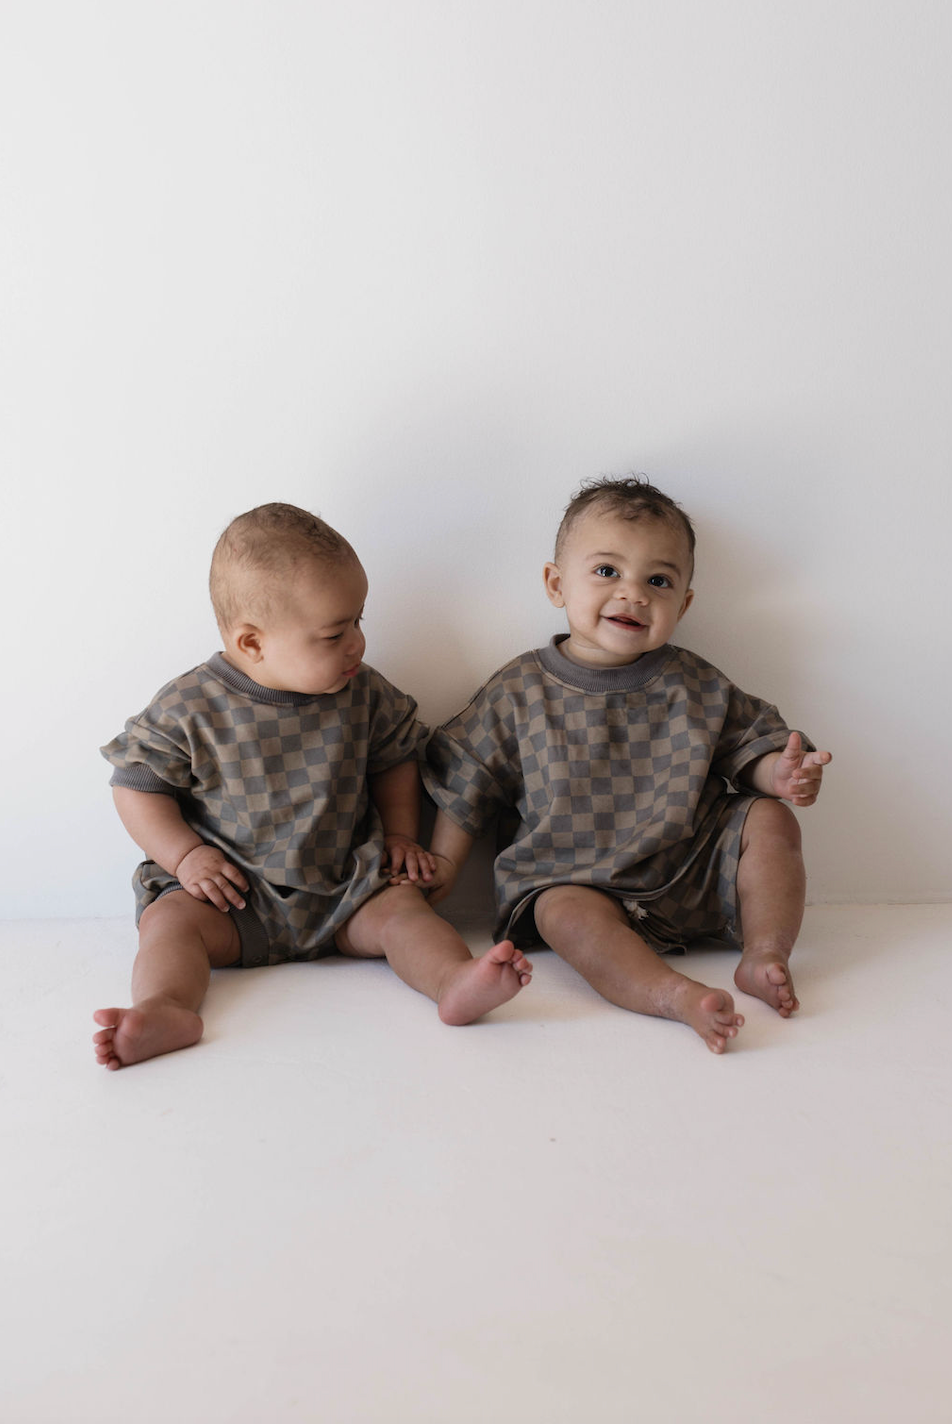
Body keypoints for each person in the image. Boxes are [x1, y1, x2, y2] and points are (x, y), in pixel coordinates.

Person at [94, 503, 531, 1069]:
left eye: (359, 622)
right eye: (333, 634)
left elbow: (394, 759)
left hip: (346, 889)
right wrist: (186, 857)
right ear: (252, 643)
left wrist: (401, 835)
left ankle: (453, 980)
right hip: (233, 897)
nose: (357, 645)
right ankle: (165, 1007)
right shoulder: (191, 707)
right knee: (169, 925)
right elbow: (135, 785)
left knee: (407, 913)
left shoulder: (363, 692)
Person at [424, 477, 831, 1054]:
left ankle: (764, 953)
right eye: (607, 572)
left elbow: (747, 747)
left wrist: (780, 775)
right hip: (576, 879)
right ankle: (671, 994)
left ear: (683, 603)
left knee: (770, 819)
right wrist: (441, 865)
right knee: (559, 911)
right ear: (556, 583)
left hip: (687, 866)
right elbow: (464, 777)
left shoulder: (693, 682)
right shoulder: (519, 691)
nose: (633, 594)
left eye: (658, 581)